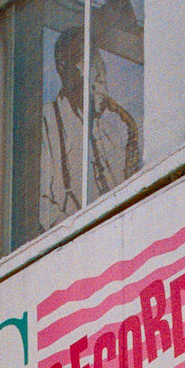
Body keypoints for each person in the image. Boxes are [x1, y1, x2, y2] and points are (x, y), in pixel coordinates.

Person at [39, 23, 140, 232]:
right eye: (89, 62)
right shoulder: (46, 120)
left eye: (101, 67)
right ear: (63, 67)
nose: (100, 74)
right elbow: (43, 209)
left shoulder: (111, 130)